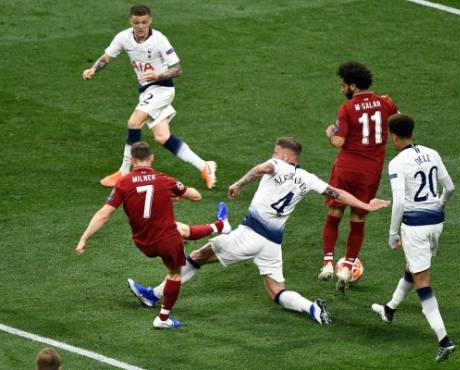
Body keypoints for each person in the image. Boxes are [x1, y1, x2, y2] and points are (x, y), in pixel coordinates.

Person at [129, 137, 390, 324]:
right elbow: (338, 193)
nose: (273, 155)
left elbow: (261, 168)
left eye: (276, 152)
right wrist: (365, 204)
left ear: (287, 156)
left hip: (249, 234)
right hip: (272, 243)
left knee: (198, 255)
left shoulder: (277, 164)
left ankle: (153, 295)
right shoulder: (308, 178)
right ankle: (312, 308)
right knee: (276, 290)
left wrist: (239, 183)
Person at [75, 141, 230, 329]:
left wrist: (84, 239)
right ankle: (163, 319)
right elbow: (196, 195)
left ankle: (220, 225)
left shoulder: (123, 183)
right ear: (152, 158)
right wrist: (174, 194)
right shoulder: (163, 179)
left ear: (132, 160)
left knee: (179, 228)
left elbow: (104, 214)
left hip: (144, 242)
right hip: (166, 242)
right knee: (174, 275)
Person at [82, 5, 216, 189]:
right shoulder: (123, 37)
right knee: (162, 137)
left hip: (162, 88)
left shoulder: (159, 40)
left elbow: (178, 69)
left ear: (150, 21)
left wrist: (158, 76)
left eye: (144, 22)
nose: (140, 26)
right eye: (136, 22)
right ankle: (204, 166)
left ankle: (123, 173)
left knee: (133, 122)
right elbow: (106, 58)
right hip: (147, 91)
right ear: (131, 21)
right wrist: (93, 69)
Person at [370, 113, 456, 362]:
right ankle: (389, 309)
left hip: (414, 227)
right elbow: (449, 188)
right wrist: (439, 205)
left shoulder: (397, 163)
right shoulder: (432, 153)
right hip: (436, 223)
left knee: (423, 281)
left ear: (394, 137)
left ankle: (444, 340)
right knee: (414, 267)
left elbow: (398, 202)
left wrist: (392, 233)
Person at [319, 61, 399, 291]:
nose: (341, 89)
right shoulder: (386, 103)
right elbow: (399, 119)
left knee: (335, 213)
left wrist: (329, 133)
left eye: (343, 85)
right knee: (358, 220)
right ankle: (347, 267)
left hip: (345, 169)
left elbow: (338, 142)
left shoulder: (346, 109)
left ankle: (327, 263)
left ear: (353, 86)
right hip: (370, 172)